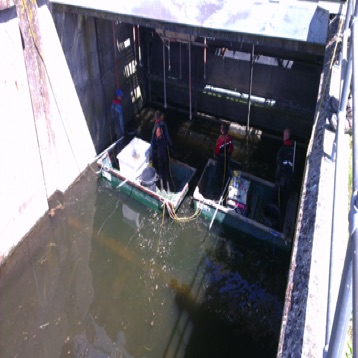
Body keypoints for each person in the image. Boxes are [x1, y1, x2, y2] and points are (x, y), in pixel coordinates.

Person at [275, 128, 296, 229]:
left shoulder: (282, 151)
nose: (283, 137)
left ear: (286, 137)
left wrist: (277, 180)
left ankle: (277, 224)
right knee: (285, 203)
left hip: (283, 181)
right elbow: (295, 168)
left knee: (279, 201)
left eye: (284, 135)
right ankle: (282, 222)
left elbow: (278, 167)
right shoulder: (294, 151)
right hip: (290, 182)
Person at [150, 111, 172, 193]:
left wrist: (151, 157)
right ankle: (168, 189)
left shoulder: (155, 128)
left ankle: (162, 188)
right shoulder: (164, 125)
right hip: (165, 151)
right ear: (160, 117)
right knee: (166, 169)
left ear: (156, 118)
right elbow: (167, 137)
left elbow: (152, 144)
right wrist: (170, 146)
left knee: (160, 169)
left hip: (159, 152)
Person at [215, 122, 234, 189]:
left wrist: (216, 155)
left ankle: (219, 185)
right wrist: (229, 155)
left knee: (219, 171)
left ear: (222, 130)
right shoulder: (230, 138)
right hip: (227, 157)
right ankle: (225, 181)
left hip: (220, 158)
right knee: (225, 170)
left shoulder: (220, 139)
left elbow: (217, 150)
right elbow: (231, 148)